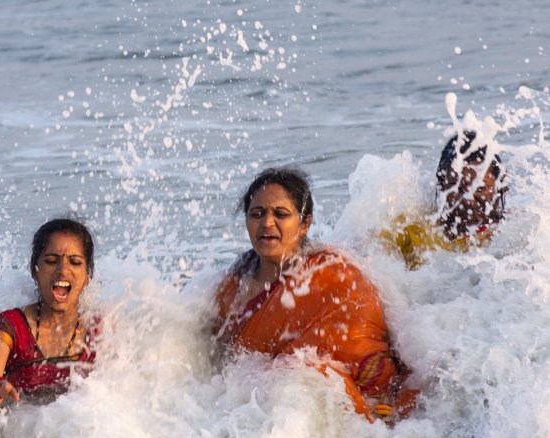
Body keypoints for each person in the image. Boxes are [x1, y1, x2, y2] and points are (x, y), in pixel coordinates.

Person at [214, 167, 413, 421]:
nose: (267, 223)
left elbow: (368, 356)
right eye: (257, 214)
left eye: (281, 214)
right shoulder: (231, 286)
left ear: (304, 224)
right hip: (255, 409)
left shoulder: (334, 275)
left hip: (347, 410)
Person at [0, 218, 98, 410]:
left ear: (87, 277)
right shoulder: (10, 326)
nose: (62, 270)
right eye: (51, 261)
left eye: (75, 262)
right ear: (35, 272)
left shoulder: (99, 330)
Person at [383, 129, 509, 269]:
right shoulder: (412, 232)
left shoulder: (511, 232)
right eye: (456, 188)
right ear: (442, 187)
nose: (467, 199)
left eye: (479, 188)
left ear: (499, 189)